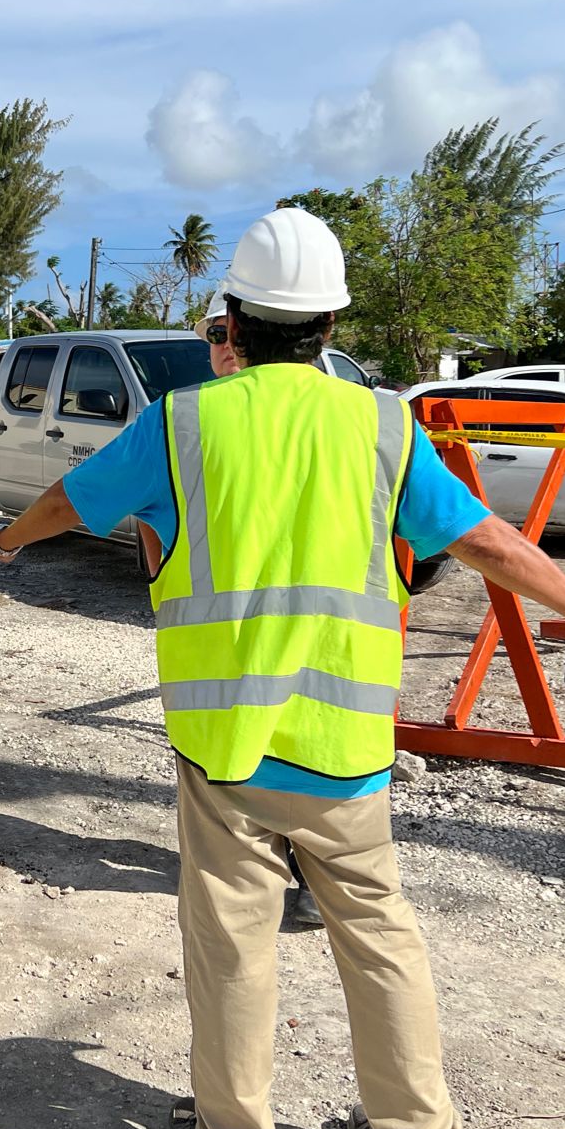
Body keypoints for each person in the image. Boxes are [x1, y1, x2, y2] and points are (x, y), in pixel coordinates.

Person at [0, 208, 565, 1129]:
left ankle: (233, 1126)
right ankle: (414, 1126)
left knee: (234, 944)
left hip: (226, 747)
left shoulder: (182, 422)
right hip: (346, 746)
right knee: (380, 939)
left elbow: (65, 502)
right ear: (329, 327)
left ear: (232, 321)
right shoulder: (383, 426)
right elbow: (485, 539)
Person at [193, 293, 324, 932]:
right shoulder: (205, 419)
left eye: (228, 332)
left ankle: (299, 880)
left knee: (294, 757)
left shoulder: (309, 414)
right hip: (235, 641)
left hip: (307, 639)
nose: (222, 346)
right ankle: (270, 872)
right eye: (212, 334)